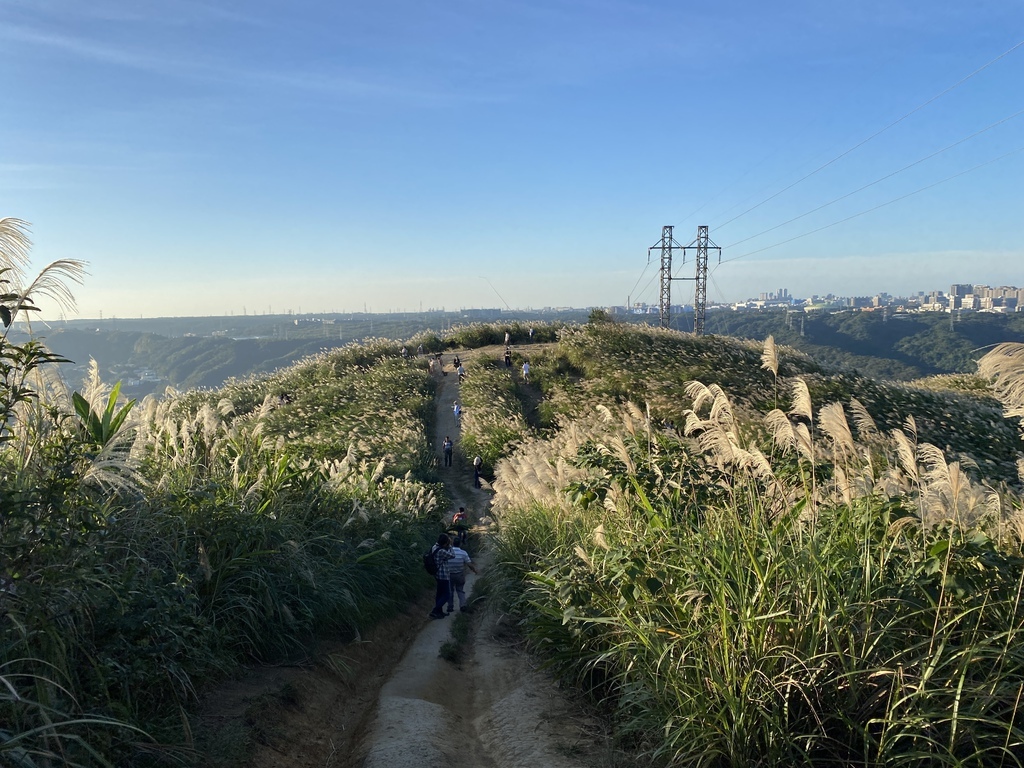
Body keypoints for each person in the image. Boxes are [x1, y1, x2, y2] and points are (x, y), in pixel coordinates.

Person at [445, 540, 479, 614]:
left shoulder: (447, 552)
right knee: (460, 590)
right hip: (459, 574)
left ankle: (450, 607)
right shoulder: (463, 553)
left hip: (449, 574)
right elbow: (469, 564)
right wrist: (475, 571)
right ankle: (462, 605)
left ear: (452, 543)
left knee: (450, 591)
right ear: (460, 544)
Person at [429, 533, 456, 619]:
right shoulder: (441, 551)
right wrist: (451, 546)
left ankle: (439, 612)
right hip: (443, 575)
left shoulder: (434, 547)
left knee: (439, 594)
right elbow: (453, 555)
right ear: (445, 543)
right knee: (447, 594)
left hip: (437, 574)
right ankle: (435, 610)